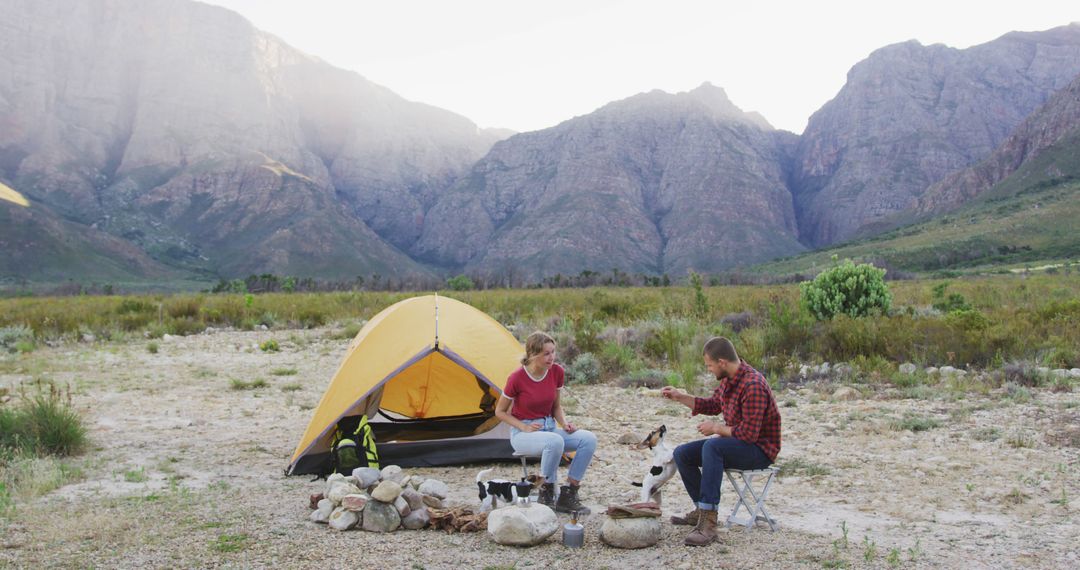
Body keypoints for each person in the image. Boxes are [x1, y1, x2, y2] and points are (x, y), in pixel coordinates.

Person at [660, 336, 781, 546]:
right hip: (739, 443)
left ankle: (709, 524)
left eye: (710, 365)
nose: (709, 370)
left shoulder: (753, 385)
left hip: (759, 450)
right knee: (682, 453)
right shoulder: (728, 380)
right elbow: (712, 405)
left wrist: (716, 428)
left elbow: (749, 434)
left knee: (713, 446)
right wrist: (680, 397)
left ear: (722, 362)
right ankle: (701, 510)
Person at [495, 332, 597, 513]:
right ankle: (546, 491)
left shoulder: (557, 372)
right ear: (533, 355)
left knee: (588, 439)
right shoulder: (517, 378)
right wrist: (523, 426)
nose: (552, 358)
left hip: (549, 428)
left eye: (553, 352)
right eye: (546, 354)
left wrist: (564, 423)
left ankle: (569, 494)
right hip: (522, 434)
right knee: (554, 441)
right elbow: (500, 412)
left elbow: (556, 406)